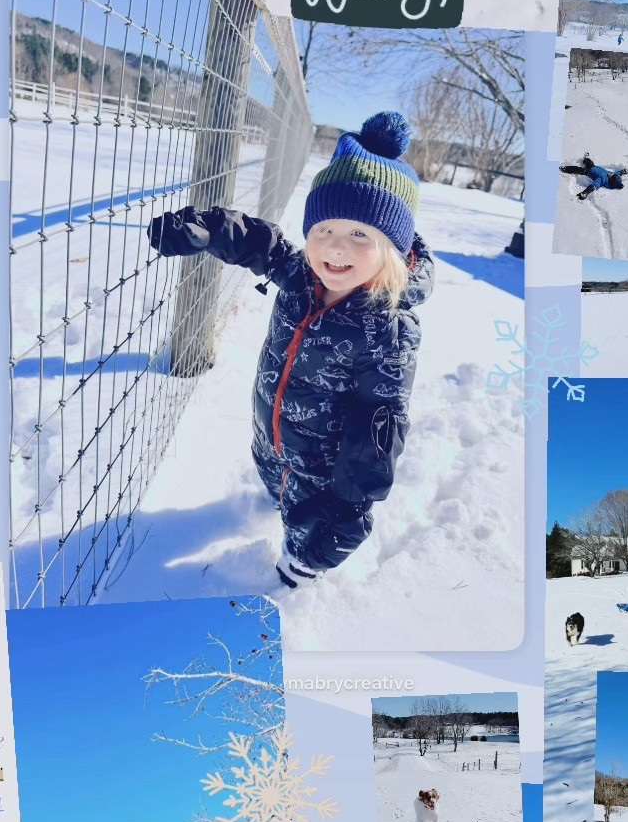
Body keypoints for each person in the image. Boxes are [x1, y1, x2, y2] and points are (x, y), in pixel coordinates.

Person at [148, 112, 432, 589]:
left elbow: (377, 423)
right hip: (272, 435)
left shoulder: (388, 327)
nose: (335, 247)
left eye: (359, 234)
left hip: (321, 476)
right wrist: (208, 228)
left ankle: (297, 574)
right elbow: (264, 245)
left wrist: (345, 510)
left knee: (305, 530)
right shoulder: (305, 274)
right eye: (323, 230)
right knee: (272, 481)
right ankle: (275, 499)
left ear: (391, 247)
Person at [559, 153, 627, 200]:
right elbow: (617, 173)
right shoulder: (611, 175)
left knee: (577, 169)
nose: (611, 174)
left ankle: (565, 169)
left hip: (588, 172)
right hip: (594, 167)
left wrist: (585, 192)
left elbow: (594, 186)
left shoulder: (602, 180)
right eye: (613, 174)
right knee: (589, 163)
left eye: (612, 176)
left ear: (610, 180)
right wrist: (622, 172)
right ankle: (586, 158)